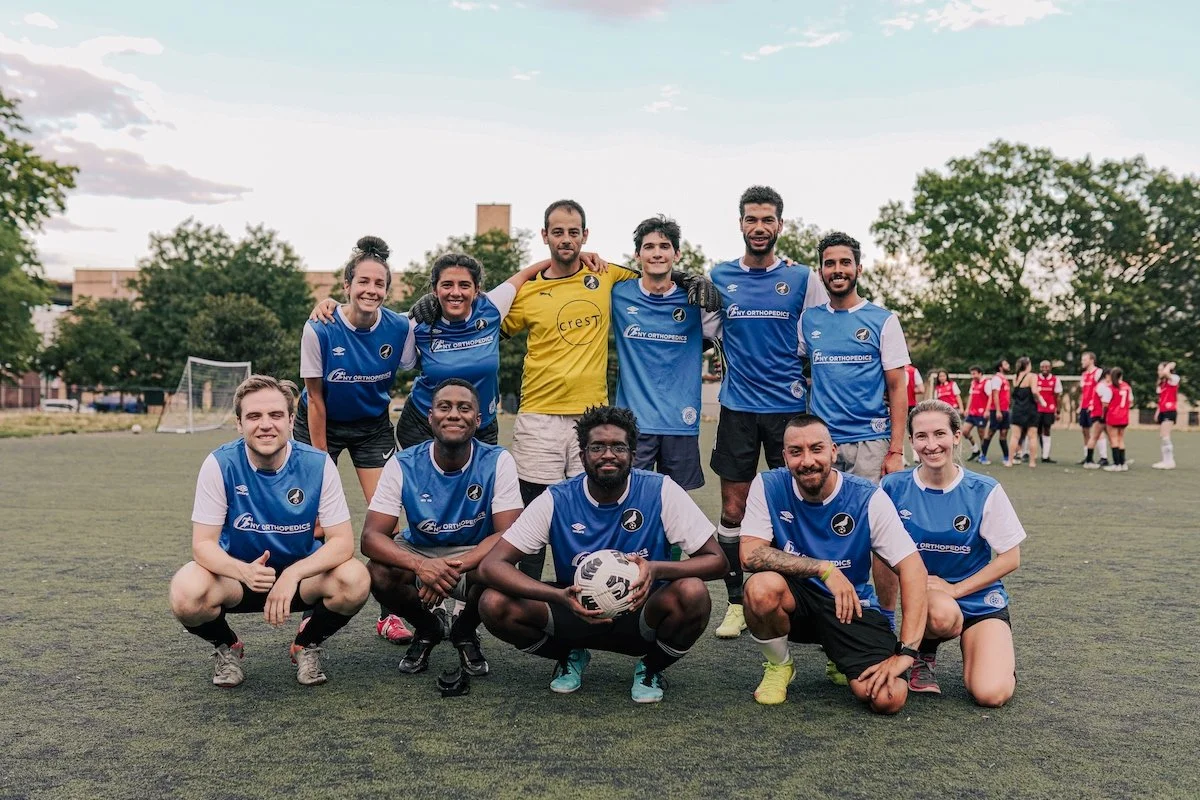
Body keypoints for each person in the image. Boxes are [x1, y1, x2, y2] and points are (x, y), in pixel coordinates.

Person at [499, 200, 718, 581]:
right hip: (538, 417)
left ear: (585, 235)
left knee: (592, 511)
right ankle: (532, 604)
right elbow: (489, 320)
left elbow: (654, 271)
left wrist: (689, 278)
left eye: (573, 232)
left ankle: (603, 593)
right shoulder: (532, 292)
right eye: (558, 232)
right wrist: (530, 269)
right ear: (545, 235)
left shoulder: (606, 276)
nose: (566, 239)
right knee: (533, 514)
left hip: (591, 421)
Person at [476, 406, 726, 703]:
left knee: (693, 593)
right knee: (494, 603)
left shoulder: (661, 490)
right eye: (597, 447)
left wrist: (657, 569)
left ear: (633, 455)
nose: (608, 455)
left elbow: (717, 561)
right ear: (582, 456)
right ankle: (568, 656)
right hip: (575, 612)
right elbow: (492, 565)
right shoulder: (556, 499)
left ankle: (652, 667)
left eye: (618, 447)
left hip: (643, 614)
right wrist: (558, 596)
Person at [168, 375, 371, 688]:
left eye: (275, 415)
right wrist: (243, 571)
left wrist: (292, 574)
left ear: (290, 420)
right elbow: (203, 545)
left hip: (301, 580)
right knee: (185, 592)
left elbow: (342, 543)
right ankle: (227, 646)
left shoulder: (318, 465)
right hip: (238, 579)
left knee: (355, 579)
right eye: (254, 416)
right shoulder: (219, 464)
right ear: (239, 424)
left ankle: (306, 643)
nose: (265, 425)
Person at [738, 413, 928, 714]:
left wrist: (906, 652)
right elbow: (750, 554)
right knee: (761, 588)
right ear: (785, 457)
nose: (807, 461)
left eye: (817, 449)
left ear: (833, 452)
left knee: (888, 697)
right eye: (796, 452)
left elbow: (913, 568)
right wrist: (824, 569)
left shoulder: (867, 497)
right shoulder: (768, 485)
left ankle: (838, 654)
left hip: (849, 607)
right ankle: (779, 665)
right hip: (796, 604)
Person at [709, 186, 830, 640]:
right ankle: (737, 602)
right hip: (737, 408)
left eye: (767, 220)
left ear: (780, 224)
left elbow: (820, 334)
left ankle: (802, 598)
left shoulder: (802, 278)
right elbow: (705, 330)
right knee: (733, 509)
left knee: (795, 507)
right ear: (740, 223)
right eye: (751, 219)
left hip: (789, 412)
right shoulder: (719, 276)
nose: (759, 228)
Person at [296, 235, 417, 645]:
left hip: (371, 426)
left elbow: (418, 348)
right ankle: (311, 613)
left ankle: (390, 614)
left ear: (387, 290)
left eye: (379, 283)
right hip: (320, 423)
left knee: (388, 521)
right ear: (346, 285)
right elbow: (315, 399)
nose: (371, 290)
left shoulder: (399, 328)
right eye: (362, 281)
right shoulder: (320, 328)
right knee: (316, 520)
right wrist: (320, 463)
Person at [360, 379, 524, 677]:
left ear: (478, 419)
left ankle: (464, 632)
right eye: (444, 407)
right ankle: (428, 629)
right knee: (378, 572)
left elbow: (508, 534)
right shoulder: (402, 463)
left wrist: (448, 569)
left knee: (501, 567)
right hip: (420, 549)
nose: (453, 414)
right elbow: (370, 538)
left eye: (464, 408)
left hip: (473, 551)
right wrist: (422, 566)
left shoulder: (498, 461)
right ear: (430, 416)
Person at [798, 231, 910, 663]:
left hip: (871, 443)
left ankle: (885, 619)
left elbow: (897, 386)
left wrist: (895, 449)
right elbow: (800, 371)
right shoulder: (809, 321)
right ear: (821, 271)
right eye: (830, 263)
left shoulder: (883, 320)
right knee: (825, 533)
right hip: (823, 446)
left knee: (878, 535)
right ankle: (828, 621)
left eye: (845, 262)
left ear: (858, 268)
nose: (838, 270)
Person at [881, 400, 1024, 707]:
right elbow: (878, 550)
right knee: (941, 612)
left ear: (956, 436)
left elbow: (1011, 557)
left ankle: (990, 656)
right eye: (921, 436)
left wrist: (956, 589)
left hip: (979, 598)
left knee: (991, 694)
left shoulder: (984, 489)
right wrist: (892, 608)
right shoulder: (892, 488)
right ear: (911, 441)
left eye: (940, 434)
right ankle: (923, 653)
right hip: (931, 599)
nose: (931, 445)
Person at [611, 215, 722, 493]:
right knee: (630, 500)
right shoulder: (618, 294)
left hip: (680, 421)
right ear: (637, 255)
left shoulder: (697, 299)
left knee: (677, 506)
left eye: (664, 246)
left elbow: (728, 332)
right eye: (649, 247)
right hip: (633, 424)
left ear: (677, 254)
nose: (657, 253)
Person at [1007, 357, 1040, 469]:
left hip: (1017, 409)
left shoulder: (1015, 377)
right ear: (1028, 365)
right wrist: (1041, 400)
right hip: (1030, 409)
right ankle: (1032, 462)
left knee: (1014, 436)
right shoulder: (1032, 376)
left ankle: (1010, 461)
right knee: (1032, 437)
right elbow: (1034, 391)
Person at [1077, 352, 1109, 467]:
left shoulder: (1098, 372)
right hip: (1084, 407)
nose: (1082, 362)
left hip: (1094, 407)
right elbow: (1083, 392)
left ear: (1091, 360)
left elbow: (1102, 388)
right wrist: (1080, 405)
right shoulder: (1084, 374)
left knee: (1097, 431)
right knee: (1085, 431)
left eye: (1084, 359)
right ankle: (1087, 457)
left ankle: (1103, 457)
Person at [978, 359, 1011, 466]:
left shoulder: (1004, 378)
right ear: (1000, 367)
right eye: (1006, 364)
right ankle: (982, 456)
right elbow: (995, 394)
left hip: (1005, 410)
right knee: (990, 433)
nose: (1008, 365)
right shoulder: (996, 378)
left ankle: (1006, 457)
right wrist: (998, 411)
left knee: (1004, 433)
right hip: (997, 411)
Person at [1102, 367, 1133, 472]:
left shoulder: (1110, 388)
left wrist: (1104, 414)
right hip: (1124, 416)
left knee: (1114, 439)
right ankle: (1123, 463)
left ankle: (1116, 464)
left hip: (1113, 416)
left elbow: (1105, 404)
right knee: (1121, 439)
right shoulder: (1127, 387)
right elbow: (1131, 401)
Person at [1153, 361, 1180, 470]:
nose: (1158, 372)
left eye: (1160, 369)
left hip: (1170, 410)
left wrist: (1168, 365)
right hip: (1163, 411)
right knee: (1163, 436)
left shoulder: (1174, 379)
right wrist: (1157, 411)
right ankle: (1165, 460)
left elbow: (1166, 372)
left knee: (1165, 436)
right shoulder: (1162, 383)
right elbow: (1160, 399)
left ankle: (1169, 461)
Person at [1035, 360, 1064, 463]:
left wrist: (1058, 411)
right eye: (1042, 367)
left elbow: (1058, 397)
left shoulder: (1055, 380)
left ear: (1050, 368)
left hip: (1049, 409)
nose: (1044, 369)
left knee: (1046, 429)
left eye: (1047, 367)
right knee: (1035, 430)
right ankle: (1028, 453)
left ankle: (1045, 455)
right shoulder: (1035, 378)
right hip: (1037, 409)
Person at [1082, 367, 1111, 470]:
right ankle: (1089, 460)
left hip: (1099, 414)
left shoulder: (1101, 385)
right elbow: (1104, 403)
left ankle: (1117, 460)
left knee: (1112, 437)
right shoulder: (1102, 386)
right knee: (1095, 436)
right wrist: (1103, 415)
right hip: (1099, 414)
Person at [961, 365, 988, 462]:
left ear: (980, 373)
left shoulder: (986, 382)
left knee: (981, 435)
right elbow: (971, 396)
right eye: (971, 374)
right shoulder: (973, 383)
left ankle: (983, 454)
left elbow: (990, 397)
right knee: (964, 431)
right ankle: (975, 449)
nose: (973, 376)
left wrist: (987, 410)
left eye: (974, 374)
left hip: (981, 413)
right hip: (972, 413)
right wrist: (967, 409)